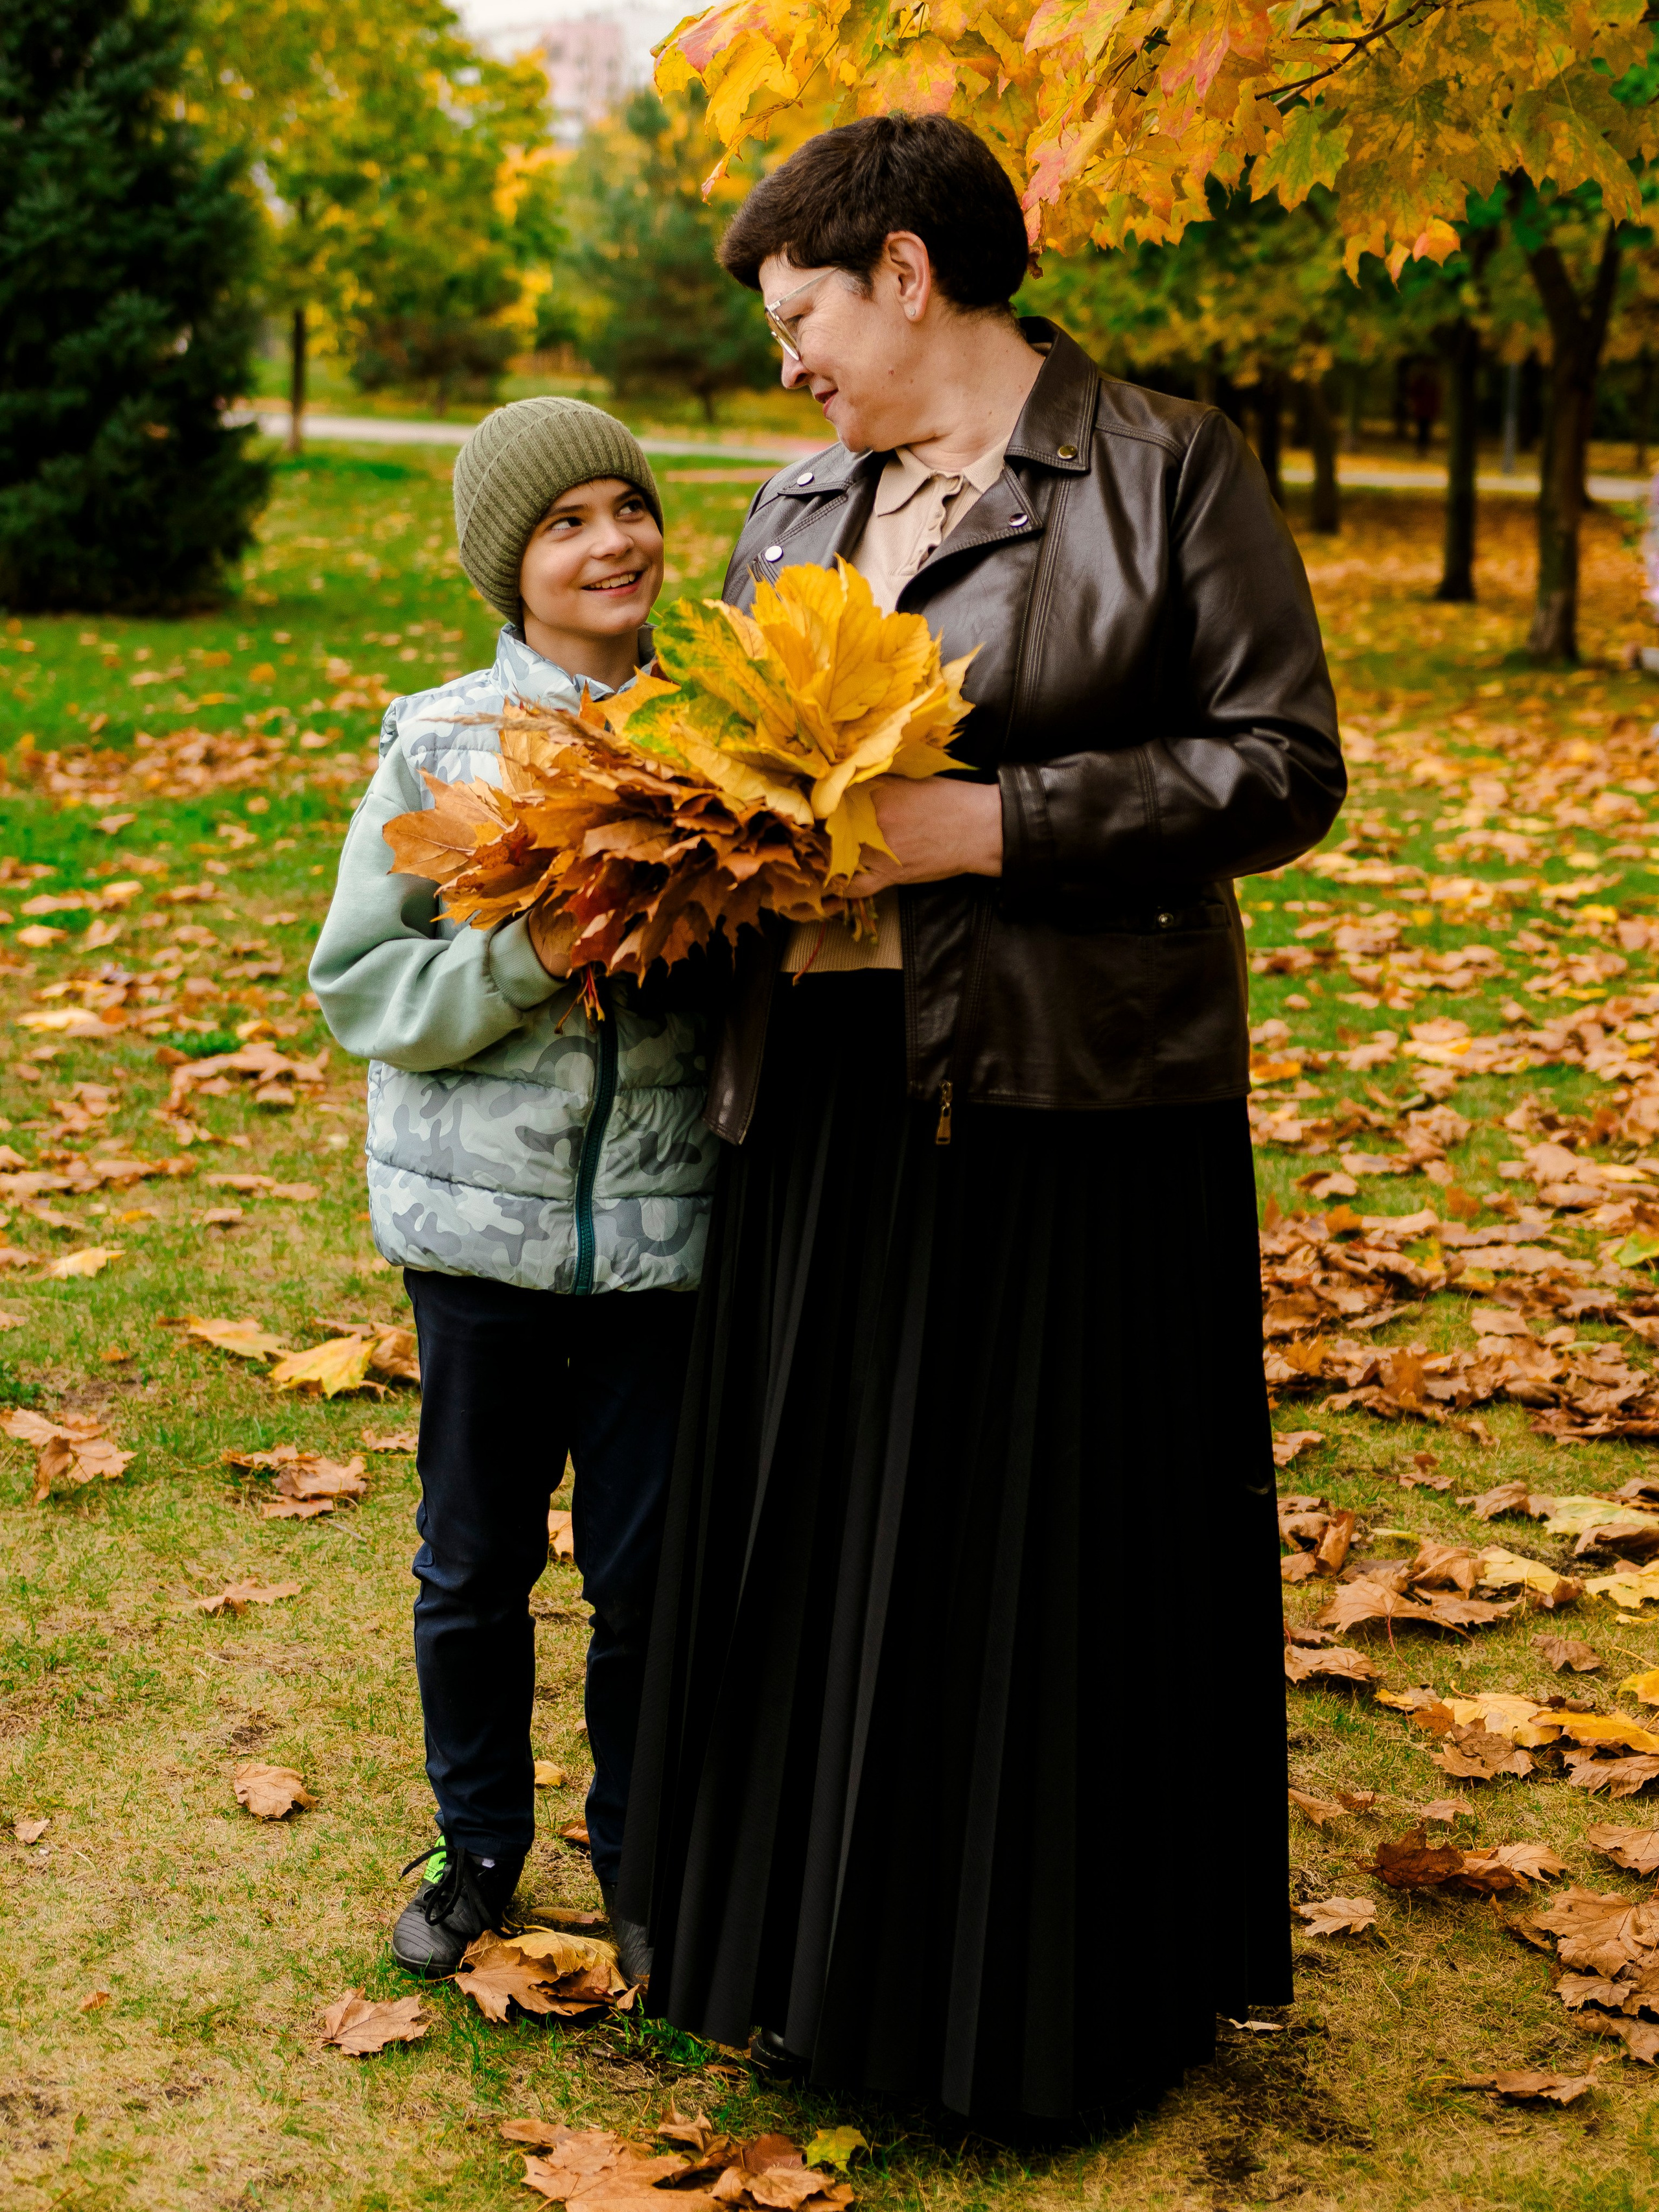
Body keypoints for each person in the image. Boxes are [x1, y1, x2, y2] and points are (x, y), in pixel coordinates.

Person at [616, 115, 1346, 2122]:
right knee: (829, 1527)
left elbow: (1283, 763)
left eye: (802, 315)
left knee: (1033, 1554)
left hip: (1070, 1102)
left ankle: (1043, 2012)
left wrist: (996, 823)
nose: (788, 367)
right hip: (829, 1095)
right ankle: (807, 1970)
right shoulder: (792, 504)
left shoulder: (1169, 463)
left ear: (910, 273)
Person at [310, 398, 713, 1982]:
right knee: (473, 1561)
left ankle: (640, 1858)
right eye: (566, 523)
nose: (610, 542)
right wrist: (531, 958)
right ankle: (475, 1848)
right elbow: (363, 985)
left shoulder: (724, 737)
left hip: (668, 1238)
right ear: (509, 563)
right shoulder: (441, 740)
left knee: (646, 1577)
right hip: (477, 1235)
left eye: (627, 507)